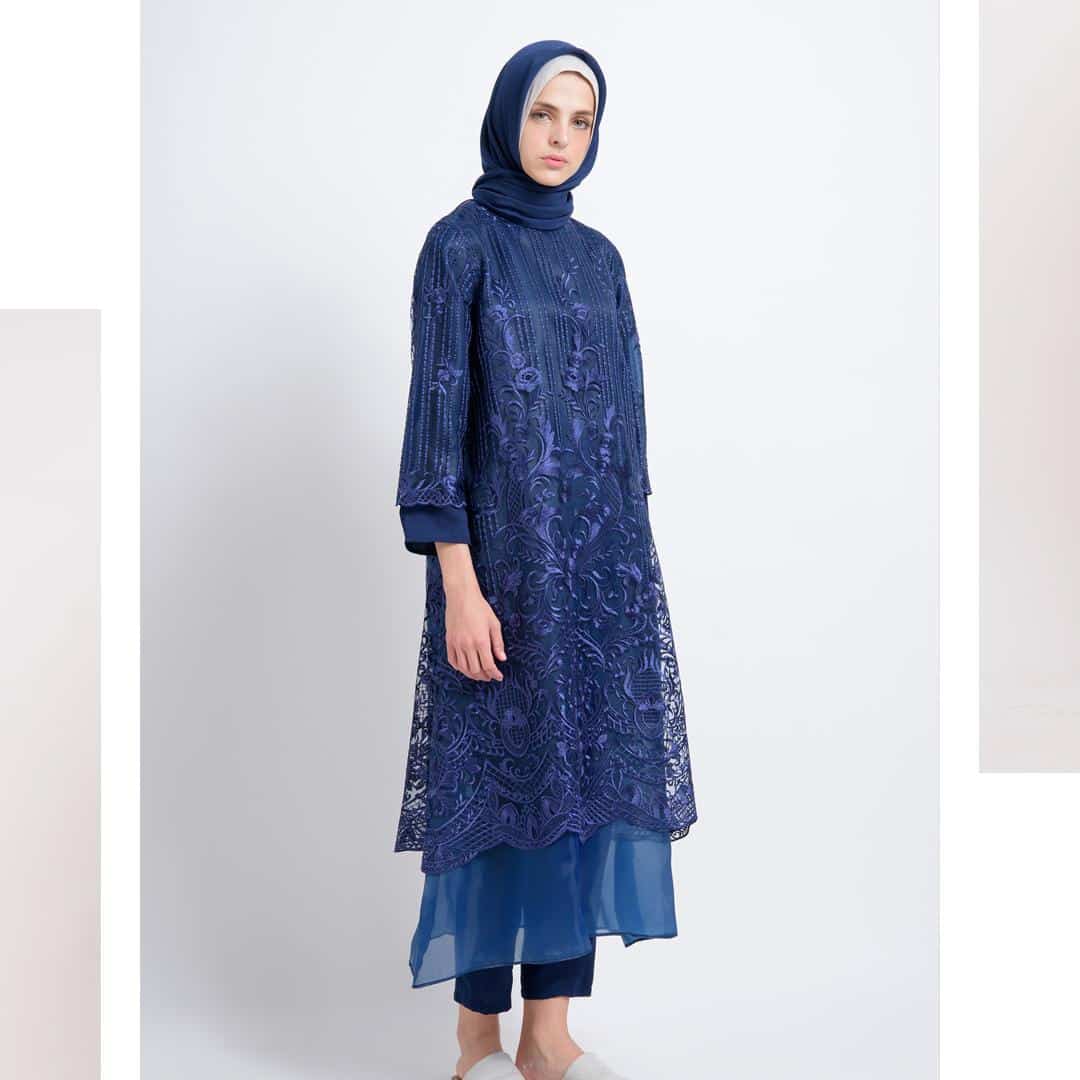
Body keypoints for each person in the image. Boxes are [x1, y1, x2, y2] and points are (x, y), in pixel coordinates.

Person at [392, 39, 699, 1080]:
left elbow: (625, 433)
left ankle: (549, 1038)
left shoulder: (602, 258)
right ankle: (477, 1039)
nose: (561, 137)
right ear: (505, 117)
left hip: (600, 579)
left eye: (581, 120)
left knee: (582, 800)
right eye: (542, 114)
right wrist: (460, 587)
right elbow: (435, 429)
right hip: (499, 580)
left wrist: (629, 585)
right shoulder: (458, 247)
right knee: (496, 802)